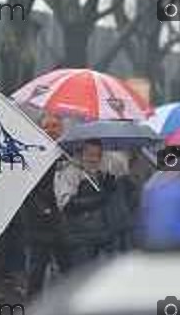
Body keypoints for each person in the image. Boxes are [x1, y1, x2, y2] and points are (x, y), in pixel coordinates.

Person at [55, 139, 116, 270]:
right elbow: (66, 204)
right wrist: (97, 199)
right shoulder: (71, 172)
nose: (94, 159)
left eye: (98, 155)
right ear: (81, 154)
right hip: (79, 237)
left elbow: (104, 204)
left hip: (99, 236)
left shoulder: (99, 173)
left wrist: (108, 189)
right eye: (90, 154)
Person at [23, 113, 66, 296]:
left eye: (55, 125)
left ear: (62, 129)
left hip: (62, 222)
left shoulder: (67, 152)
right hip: (38, 222)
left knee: (66, 268)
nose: (51, 129)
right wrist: (44, 209)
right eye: (47, 126)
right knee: (36, 269)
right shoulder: (33, 153)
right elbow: (26, 188)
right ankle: (34, 307)